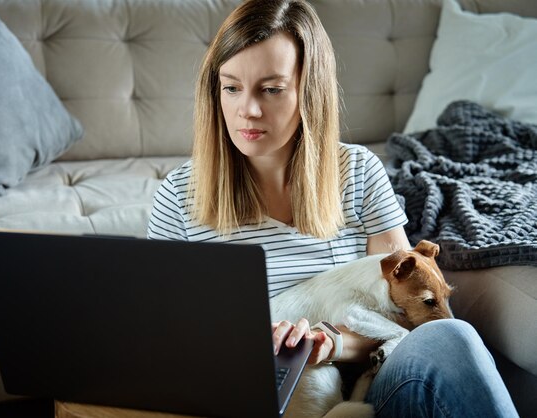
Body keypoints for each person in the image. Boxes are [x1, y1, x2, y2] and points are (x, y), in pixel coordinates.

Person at [147, 0, 519, 416]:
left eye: (271, 89)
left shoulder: (357, 170)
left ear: (310, 89)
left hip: (370, 384)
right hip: (258, 396)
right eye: (231, 87)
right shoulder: (179, 195)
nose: (247, 110)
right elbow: (168, 342)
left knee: (452, 336)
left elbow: (407, 319)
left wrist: (331, 343)